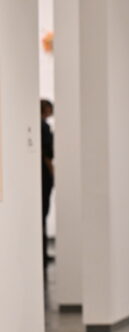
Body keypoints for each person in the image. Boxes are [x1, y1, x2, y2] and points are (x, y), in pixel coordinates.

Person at [41, 99, 55, 267]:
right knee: (43, 213)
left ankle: (42, 252)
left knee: (43, 215)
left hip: (44, 175)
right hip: (44, 175)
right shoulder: (43, 128)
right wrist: (51, 170)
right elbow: (47, 154)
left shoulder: (43, 127)